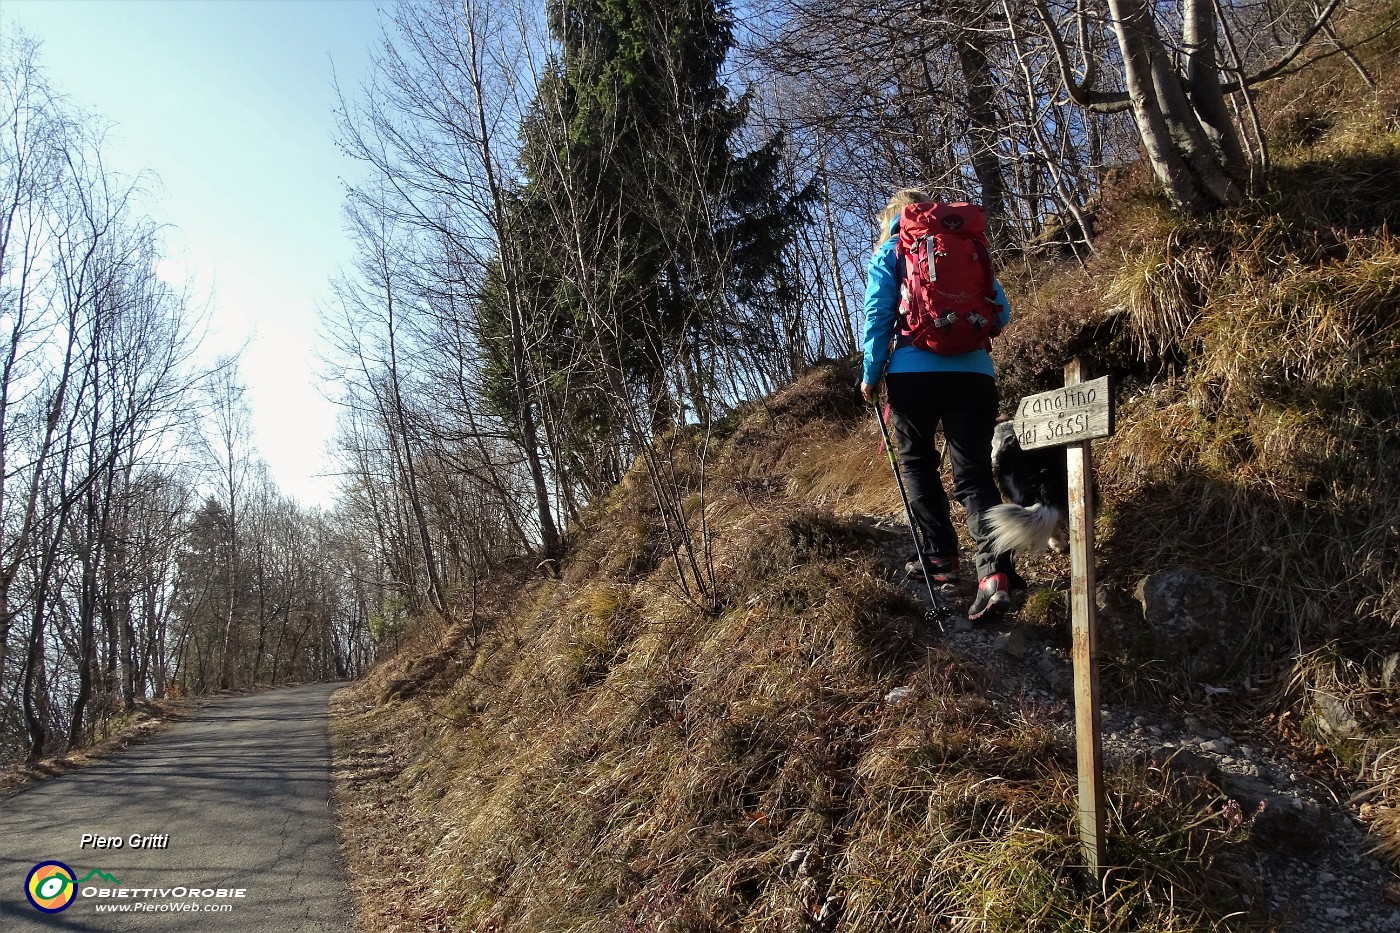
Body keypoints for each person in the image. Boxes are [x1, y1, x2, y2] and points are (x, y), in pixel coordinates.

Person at [859, 188, 1015, 621]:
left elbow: (878, 315)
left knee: (918, 466)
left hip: (913, 375)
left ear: (893, 217)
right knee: (975, 475)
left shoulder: (893, 249)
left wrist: (871, 375)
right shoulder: (965, 245)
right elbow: (1000, 313)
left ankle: (941, 559)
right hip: (974, 374)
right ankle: (995, 575)